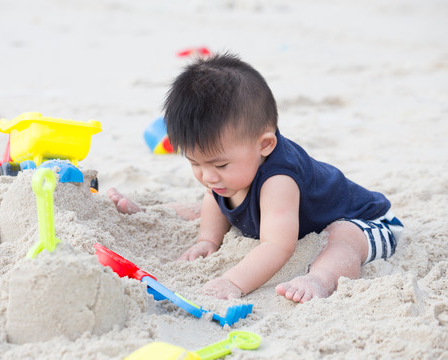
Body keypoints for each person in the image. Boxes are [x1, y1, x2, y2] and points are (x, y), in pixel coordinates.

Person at [108, 53, 404, 303]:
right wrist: (208, 239)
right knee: (219, 196)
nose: (207, 175)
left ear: (265, 144)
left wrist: (232, 282)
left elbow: (277, 246)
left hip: (368, 222)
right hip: (285, 213)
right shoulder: (235, 166)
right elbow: (214, 194)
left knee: (342, 237)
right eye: (194, 162)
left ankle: (320, 280)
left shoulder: (280, 180)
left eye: (220, 163)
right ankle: (156, 213)